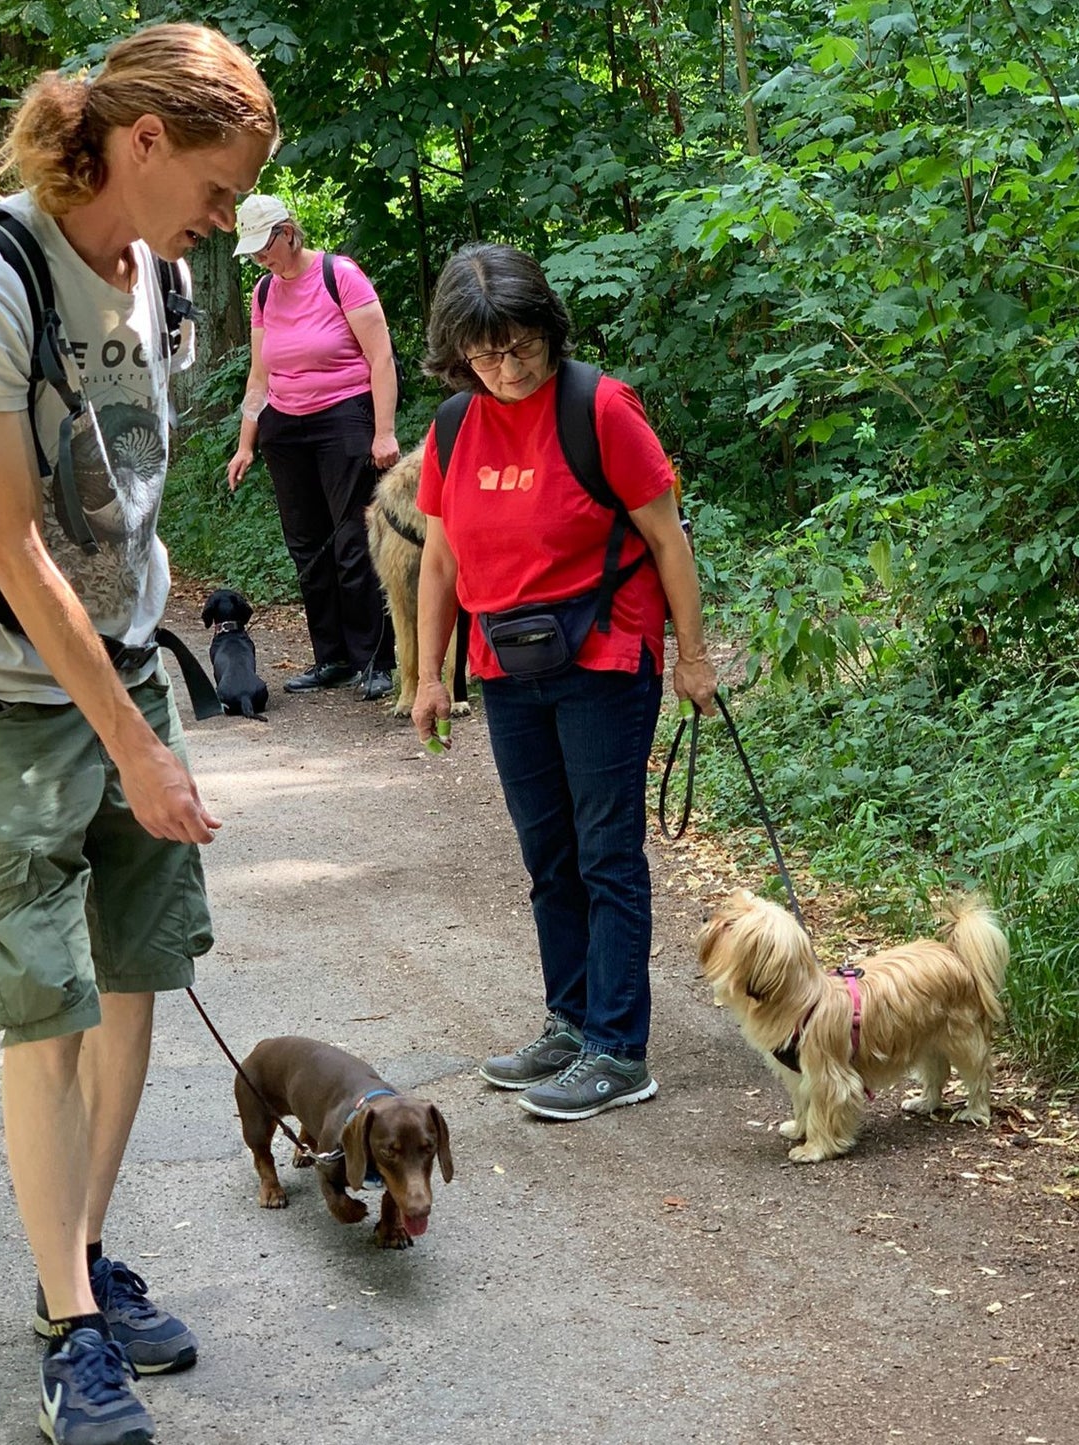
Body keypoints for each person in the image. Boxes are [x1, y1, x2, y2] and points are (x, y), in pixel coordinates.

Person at [0, 24, 276, 1445]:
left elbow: (126, 499)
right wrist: (131, 741)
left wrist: (145, 711)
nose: (224, 220)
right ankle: (67, 1326)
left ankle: (84, 1254)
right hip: (7, 693)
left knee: (138, 977)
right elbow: (13, 540)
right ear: (142, 142)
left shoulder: (162, 275)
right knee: (46, 1006)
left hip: (129, 670)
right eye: (220, 184)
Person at [411, 243, 718, 1122]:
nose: (504, 369)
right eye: (483, 353)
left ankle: (618, 1049)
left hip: (605, 658)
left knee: (605, 853)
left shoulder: (600, 408)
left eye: (521, 348)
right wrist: (429, 676)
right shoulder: (453, 426)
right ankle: (570, 1019)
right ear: (455, 351)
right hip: (506, 666)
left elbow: (667, 539)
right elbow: (440, 557)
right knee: (549, 858)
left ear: (548, 330)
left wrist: (691, 656)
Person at [225, 193, 398, 699]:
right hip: (286, 426)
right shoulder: (262, 292)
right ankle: (332, 658)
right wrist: (245, 444)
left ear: (288, 232)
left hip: (344, 416)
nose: (261, 258)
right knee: (307, 546)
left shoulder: (338, 274)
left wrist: (383, 431)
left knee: (351, 543)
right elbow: (259, 376)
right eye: (253, 251)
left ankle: (374, 661)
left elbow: (381, 357)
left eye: (265, 246)